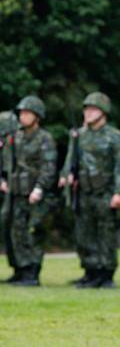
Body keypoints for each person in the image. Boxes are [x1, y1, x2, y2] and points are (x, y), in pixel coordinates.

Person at [59, 92, 120, 288]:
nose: (88, 113)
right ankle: (90, 272)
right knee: (84, 233)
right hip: (83, 192)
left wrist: (119, 192)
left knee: (106, 234)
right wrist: (66, 176)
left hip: (105, 192)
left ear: (103, 112)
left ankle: (105, 274)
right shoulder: (79, 135)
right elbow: (70, 161)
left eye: (93, 109)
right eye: (86, 109)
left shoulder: (113, 136)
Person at [0, 96, 57, 286]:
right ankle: (21, 269)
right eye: (21, 113)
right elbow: (7, 162)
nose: (22, 117)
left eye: (27, 113)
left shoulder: (44, 138)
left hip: (34, 194)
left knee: (32, 232)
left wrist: (39, 188)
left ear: (37, 116)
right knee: (16, 231)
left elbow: (48, 168)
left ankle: (32, 272)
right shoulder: (15, 138)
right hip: (16, 193)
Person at [0, 110, 20, 283]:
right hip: (7, 191)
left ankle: (19, 268)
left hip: (14, 192)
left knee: (11, 227)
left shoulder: (15, 143)